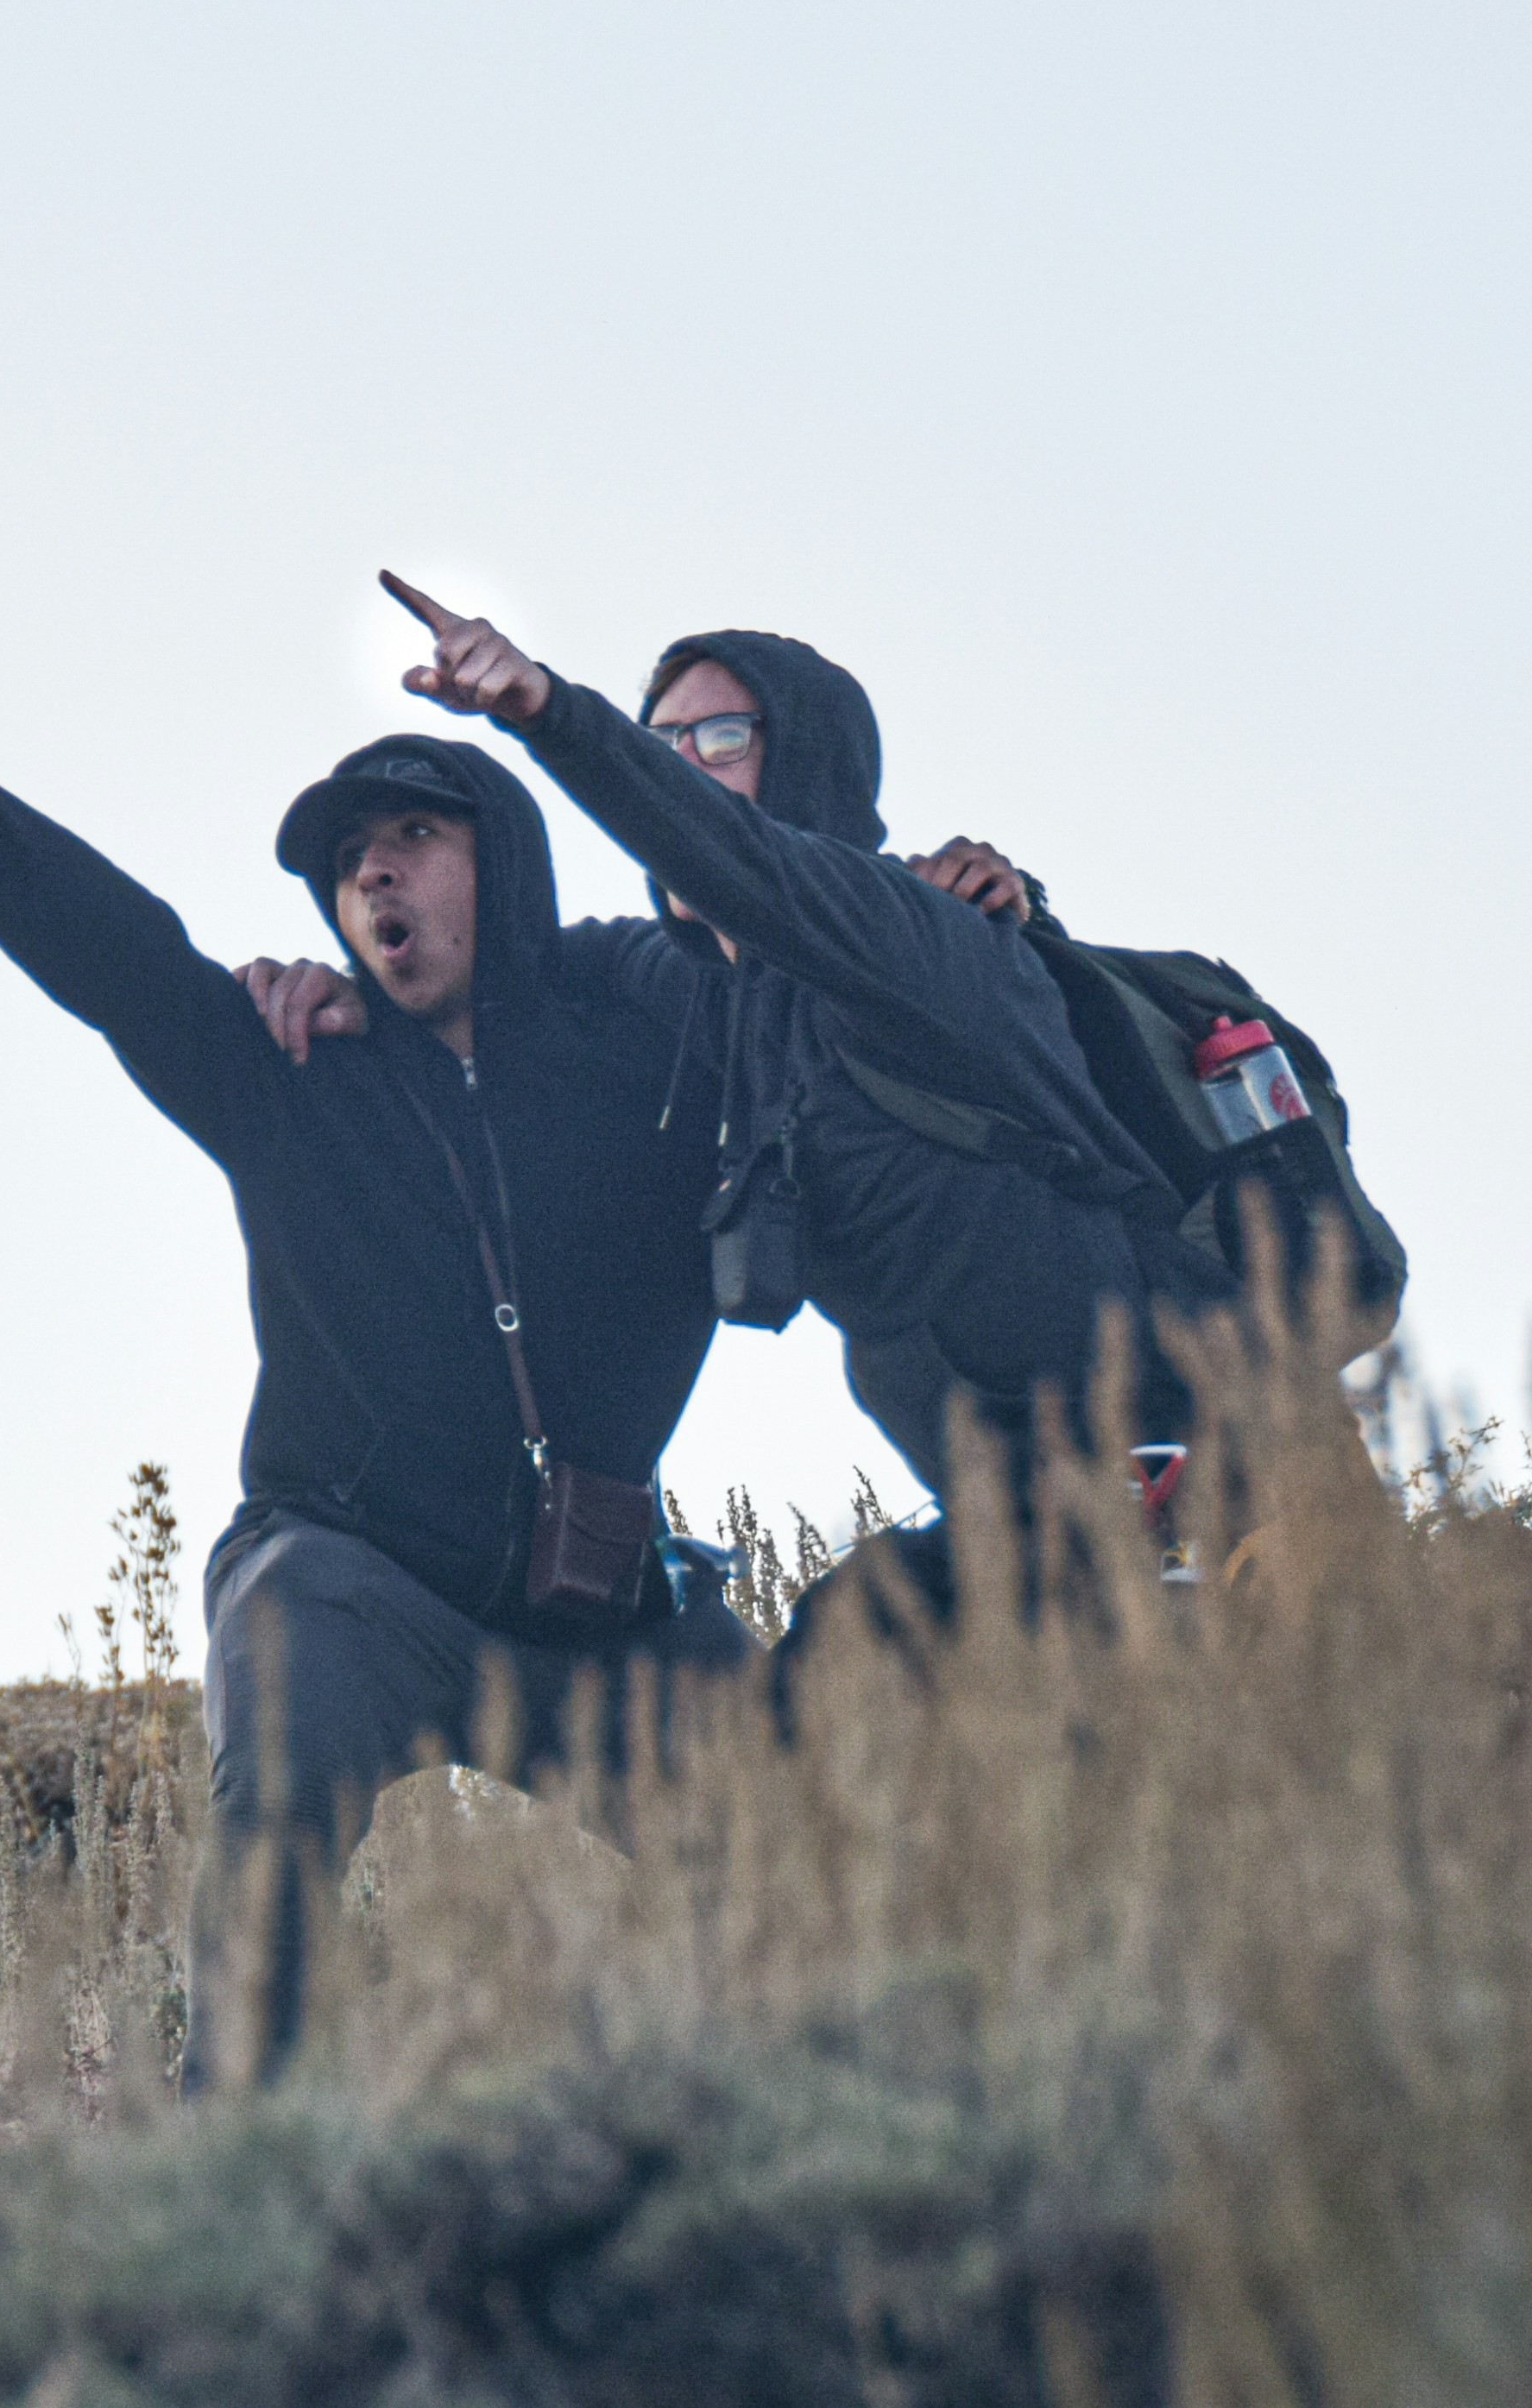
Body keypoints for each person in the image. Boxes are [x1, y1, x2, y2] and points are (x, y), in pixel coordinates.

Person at [0, 659, 749, 2090]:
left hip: (589, 1601)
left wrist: (981, 909)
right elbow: (117, 956)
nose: (370, 876)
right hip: (359, 1574)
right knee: (286, 1681)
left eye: (408, 837)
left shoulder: (638, 1053)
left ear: (501, 856)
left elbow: (795, 953)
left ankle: (817, 2132)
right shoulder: (287, 1070)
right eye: (347, 865)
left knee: (805, 1817)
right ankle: (239, 2163)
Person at [364, 582, 1251, 1662]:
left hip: (1198, 1480)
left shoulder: (907, 933)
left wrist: (548, 710)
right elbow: (521, 966)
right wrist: (341, 985)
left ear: (810, 764)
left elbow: (741, 862)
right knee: (803, 1737)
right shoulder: (709, 993)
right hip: (1014, 1525)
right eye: (663, 740)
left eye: (724, 737)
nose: (685, 764)